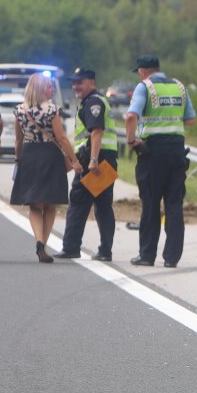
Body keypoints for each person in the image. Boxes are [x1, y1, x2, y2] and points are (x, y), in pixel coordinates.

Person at [124, 55, 196, 267]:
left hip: (152, 152)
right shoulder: (179, 86)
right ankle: (171, 258)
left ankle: (147, 256)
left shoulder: (144, 87)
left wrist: (131, 140)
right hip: (176, 151)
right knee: (174, 204)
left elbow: (130, 116)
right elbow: (191, 120)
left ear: (142, 71)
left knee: (151, 204)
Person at [9, 73, 83, 263]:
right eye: (49, 86)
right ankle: (44, 245)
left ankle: (39, 241)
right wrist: (74, 160)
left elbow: (18, 139)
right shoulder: (52, 110)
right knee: (50, 204)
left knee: (34, 204)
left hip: (29, 155)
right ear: (41, 89)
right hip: (50, 156)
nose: (51, 89)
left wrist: (19, 159)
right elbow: (61, 138)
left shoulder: (19, 110)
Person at [55, 68, 119, 261]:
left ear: (91, 83)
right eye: (74, 83)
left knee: (78, 203)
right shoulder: (93, 101)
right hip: (105, 160)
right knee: (102, 207)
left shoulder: (93, 103)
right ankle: (105, 251)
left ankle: (71, 247)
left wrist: (92, 160)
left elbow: (96, 131)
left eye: (79, 82)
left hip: (94, 161)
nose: (75, 86)